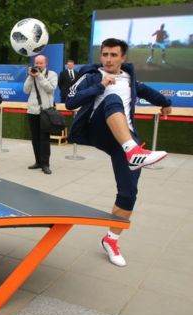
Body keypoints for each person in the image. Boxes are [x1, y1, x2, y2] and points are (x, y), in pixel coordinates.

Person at [66, 38, 171, 267]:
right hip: (100, 129)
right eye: (105, 54)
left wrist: (165, 102)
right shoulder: (91, 75)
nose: (108, 59)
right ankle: (133, 152)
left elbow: (148, 92)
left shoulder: (130, 79)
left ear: (123, 58)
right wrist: (100, 86)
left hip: (125, 138)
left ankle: (111, 239)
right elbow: (70, 101)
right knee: (112, 98)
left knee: (128, 193)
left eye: (114, 55)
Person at [23, 54, 58, 175]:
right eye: (36, 63)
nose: (38, 65)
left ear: (46, 63)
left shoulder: (52, 74)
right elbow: (26, 90)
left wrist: (39, 76)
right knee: (35, 138)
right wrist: (30, 77)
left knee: (44, 139)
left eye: (40, 63)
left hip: (45, 111)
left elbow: (50, 88)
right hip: (33, 111)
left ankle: (45, 164)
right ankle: (38, 161)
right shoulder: (31, 75)